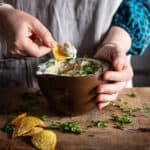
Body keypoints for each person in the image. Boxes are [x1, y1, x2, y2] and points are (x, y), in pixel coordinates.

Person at [0, 0, 149, 109]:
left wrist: (115, 43)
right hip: (13, 95)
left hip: (107, 92)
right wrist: (3, 13)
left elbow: (143, 4)